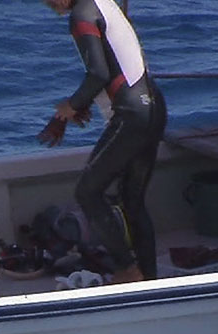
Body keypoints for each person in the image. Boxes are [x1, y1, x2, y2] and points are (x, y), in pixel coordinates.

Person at [38, 0, 167, 282]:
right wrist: (81, 105)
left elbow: (98, 73)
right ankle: (149, 279)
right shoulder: (105, 4)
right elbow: (115, 62)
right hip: (154, 108)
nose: (47, 4)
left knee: (88, 192)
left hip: (132, 117)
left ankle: (128, 270)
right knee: (132, 201)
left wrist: (70, 107)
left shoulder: (82, 15)